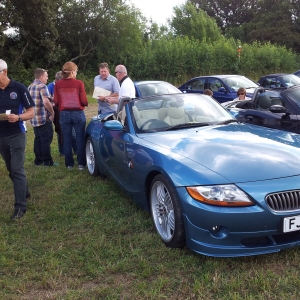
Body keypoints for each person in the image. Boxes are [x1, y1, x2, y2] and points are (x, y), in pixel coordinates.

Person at [0, 59, 35, 219]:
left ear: (4, 72)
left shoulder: (19, 88)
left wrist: (19, 117)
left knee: (17, 169)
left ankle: (20, 207)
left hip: (17, 134)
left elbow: (31, 112)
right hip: (1, 136)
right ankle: (25, 191)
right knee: (10, 170)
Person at [54, 62, 88, 170]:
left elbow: (56, 101)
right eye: (76, 71)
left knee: (67, 139)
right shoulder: (79, 83)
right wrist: (83, 104)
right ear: (73, 71)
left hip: (64, 114)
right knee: (80, 138)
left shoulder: (58, 84)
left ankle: (69, 164)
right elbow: (84, 101)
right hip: (78, 113)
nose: (76, 73)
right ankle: (81, 164)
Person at [29, 68, 56, 166]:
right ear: (41, 77)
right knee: (46, 139)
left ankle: (38, 160)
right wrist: (52, 112)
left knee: (38, 139)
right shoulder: (42, 86)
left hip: (34, 118)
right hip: (43, 118)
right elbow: (45, 101)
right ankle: (48, 162)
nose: (47, 78)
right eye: (46, 76)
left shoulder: (30, 86)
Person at [48, 71, 77, 157]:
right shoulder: (51, 86)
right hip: (57, 111)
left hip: (68, 110)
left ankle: (76, 150)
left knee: (72, 132)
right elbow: (48, 98)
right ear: (57, 80)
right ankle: (62, 152)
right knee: (60, 132)